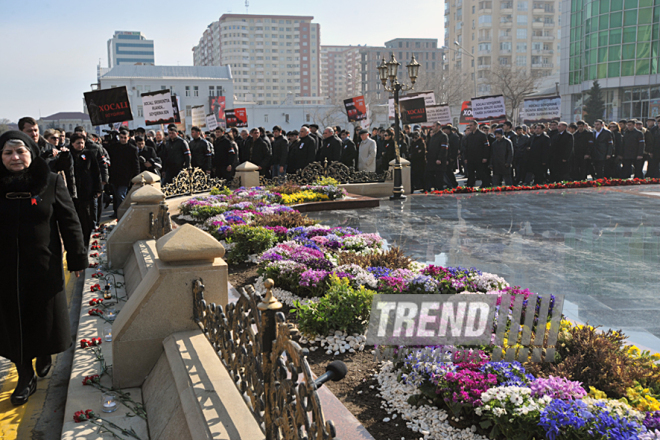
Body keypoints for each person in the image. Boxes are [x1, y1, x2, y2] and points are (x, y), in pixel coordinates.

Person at [0, 131, 87, 406]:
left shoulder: (49, 181)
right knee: (13, 321)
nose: (15, 157)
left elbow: (69, 221)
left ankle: (44, 351)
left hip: (43, 264)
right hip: (5, 269)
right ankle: (24, 374)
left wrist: (77, 258)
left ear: (32, 152)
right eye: (7, 153)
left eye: (20, 151)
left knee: (43, 316)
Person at [19, 117, 76, 200]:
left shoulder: (48, 146)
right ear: (21, 132)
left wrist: (65, 157)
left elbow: (60, 167)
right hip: (27, 191)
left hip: (49, 191)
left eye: (36, 130)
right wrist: (44, 156)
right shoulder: (16, 149)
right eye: (29, 131)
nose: (34, 134)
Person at [69, 132, 102, 248]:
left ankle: (87, 242)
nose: (80, 145)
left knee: (88, 218)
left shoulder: (89, 154)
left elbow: (96, 172)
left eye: (82, 143)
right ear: (72, 144)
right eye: (78, 143)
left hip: (87, 192)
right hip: (73, 193)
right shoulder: (68, 155)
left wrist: (98, 189)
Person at [105, 129, 140, 218]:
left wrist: (136, 177)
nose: (123, 139)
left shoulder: (132, 149)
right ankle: (117, 212)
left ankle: (124, 212)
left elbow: (136, 164)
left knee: (121, 195)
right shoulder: (114, 147)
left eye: (125, 138)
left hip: (126, 177)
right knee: (116, 196)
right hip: (115, 175)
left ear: (128, 138)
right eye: (121, 137)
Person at [463, 121, 491, 188]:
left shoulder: (482, 135)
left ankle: (486, 183)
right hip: (471, 157)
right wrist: (465, 157)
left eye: (471, 125)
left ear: (476, 125)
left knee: (481, 172)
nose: (470, 127)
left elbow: (486, 146)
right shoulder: (469, 136)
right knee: (470, 172)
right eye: (469, 125)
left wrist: (485, 157)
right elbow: (466, 147)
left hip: (479, 157)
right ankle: (470, 184)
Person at [424, 122, 449, 192]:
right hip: (432, 161)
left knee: (439, 177)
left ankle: (440, 190)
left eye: (434, 126)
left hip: (439, 161)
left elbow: (443, 148)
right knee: (430, 175)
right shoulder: (433, 137)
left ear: (438, 127)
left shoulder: (443, 136)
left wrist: (439, 158)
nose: (432, 128)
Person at [443, 124, 460, 188]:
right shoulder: (446, 136)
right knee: (447, 171)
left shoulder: (454, 137)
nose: (444, 131)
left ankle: (453, 183)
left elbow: (455, 148)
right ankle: (450, 183)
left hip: (451, 156)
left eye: (445, 130)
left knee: (449, 170)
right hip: (447, 156)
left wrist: (452, 157)